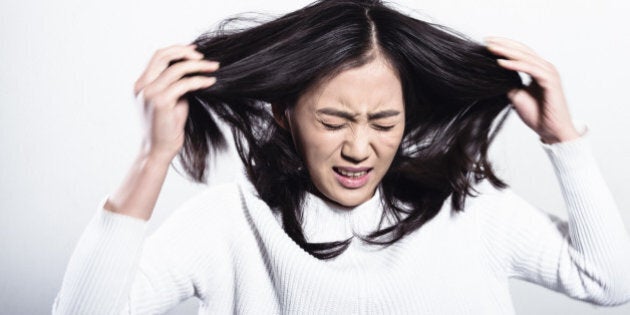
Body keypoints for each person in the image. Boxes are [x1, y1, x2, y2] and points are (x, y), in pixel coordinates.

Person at [52, 0, 630, 314]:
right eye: (333, 121)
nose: (359, 148)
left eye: (384, 122)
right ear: (284, 114)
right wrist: (154, 157)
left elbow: (611, 282)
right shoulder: (227, 225)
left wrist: (564, 140)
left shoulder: (473, 213)